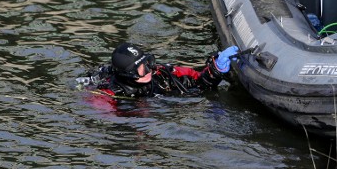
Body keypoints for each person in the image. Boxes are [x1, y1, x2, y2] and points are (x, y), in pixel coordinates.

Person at [92, 42, 240, 98]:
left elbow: (199, 81)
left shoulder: (160, 74)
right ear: (127, 75)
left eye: (148, 62)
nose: (149, 69)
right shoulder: (108, 95)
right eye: (141, 69)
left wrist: (216, 69)